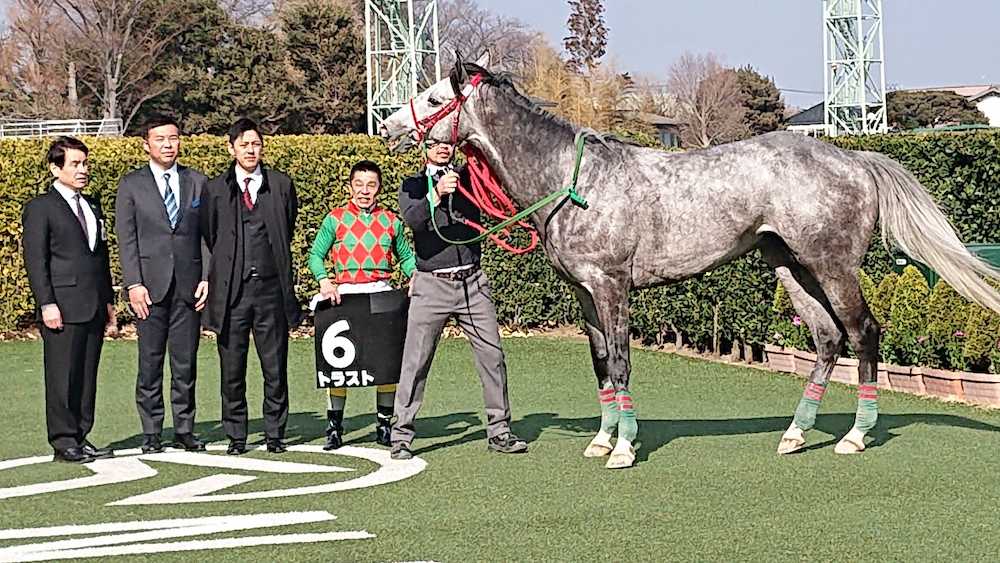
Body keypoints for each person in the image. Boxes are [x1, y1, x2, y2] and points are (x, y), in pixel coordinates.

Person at [391, 141, 527, 459]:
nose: (442, 148)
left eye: (446, 143)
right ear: (424, 146)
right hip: (430, 284)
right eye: (434, 143)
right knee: (415, 362)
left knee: (492, 357)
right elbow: (413, 220)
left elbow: (496, 184)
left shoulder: (468, 177)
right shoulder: (412, 184)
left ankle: (500, 430)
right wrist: (437, 192)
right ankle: (401, 435)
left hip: (473, 282)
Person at [201, 118, 302, 455]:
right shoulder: (215, 189)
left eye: (256, 144)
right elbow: (210, 235)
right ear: (231, 148)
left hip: (271, 291)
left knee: (275, 367)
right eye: (243, 144)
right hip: (232, 294)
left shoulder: (282, 185)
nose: (250, 150)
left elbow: (286, 226)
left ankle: (275, 433)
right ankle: (236, 435)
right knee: (232, 370)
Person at [115, 115, 210, 454]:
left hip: (188, 287)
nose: (168, 144)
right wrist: (133, 283)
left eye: (173, 138)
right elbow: (127, 239)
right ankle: (152, 431)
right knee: (150, 363)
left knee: (185, 363)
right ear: (147, 144)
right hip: (149, 289)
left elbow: (206, 236)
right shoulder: (131, 185)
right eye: (160, 139)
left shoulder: (198, 182)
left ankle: (184, 429)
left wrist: (206, 277)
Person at [308, 160, 415, 450]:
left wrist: (415, 275)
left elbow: (405, 258)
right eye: (359, 185)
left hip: (381, 294)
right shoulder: (335, 218)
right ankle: (334, 427)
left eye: (371, 185)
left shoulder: (391, 221)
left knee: (386, 363)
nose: (364, 191)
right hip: (345, 296)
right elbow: (316, 255)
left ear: (379, 189)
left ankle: (384, 425)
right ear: (349, 187)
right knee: (339, 365)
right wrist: (324, 281)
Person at [22, 136, 115, 463]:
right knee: (62, 376)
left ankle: (81, 434)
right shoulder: (40, 208)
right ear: (55, 168)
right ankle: (63, 441)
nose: (82, 170)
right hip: (61, 306)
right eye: (75, 164)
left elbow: (100, 256)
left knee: (86, 375)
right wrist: (46, 303)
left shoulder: (92, 205)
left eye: (84, 163)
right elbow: (36, 260)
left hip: (93, 304)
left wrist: (109, 300)